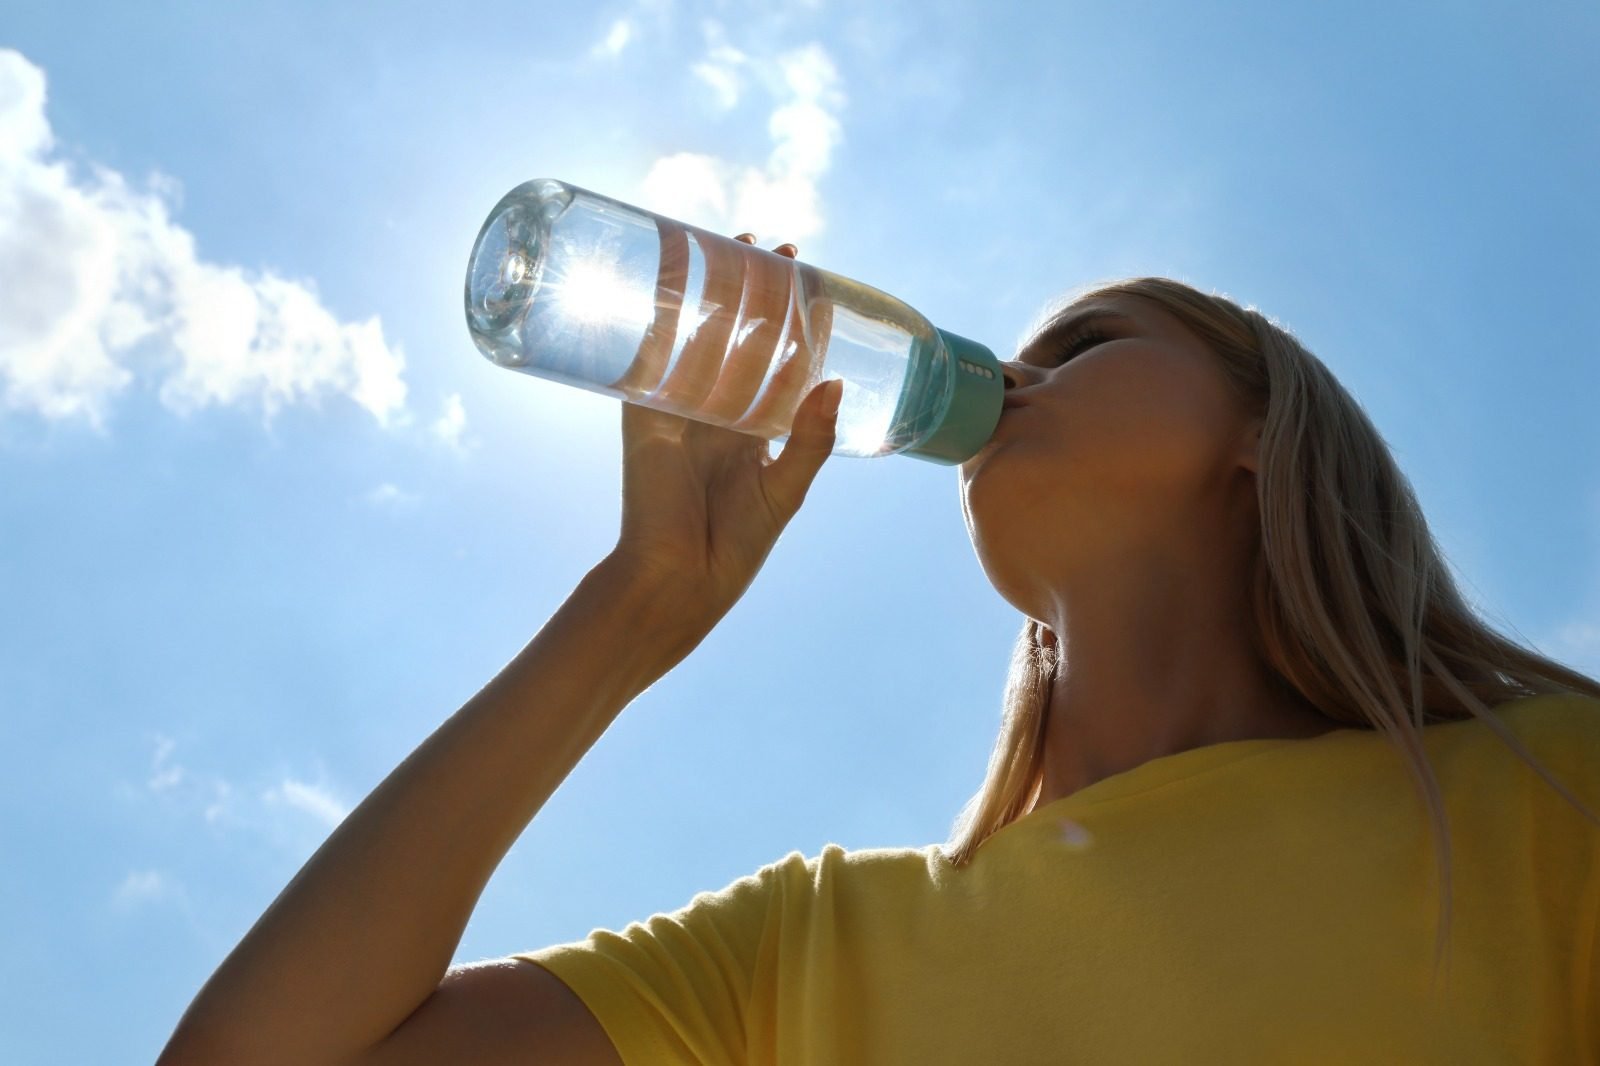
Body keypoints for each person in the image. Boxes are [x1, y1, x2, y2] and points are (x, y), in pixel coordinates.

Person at [158, 248, 1600, 1065]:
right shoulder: (804, 948)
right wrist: (632, 610)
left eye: (1089, 345)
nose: (1016, 374)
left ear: (1262, 438)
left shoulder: (1542, 793)